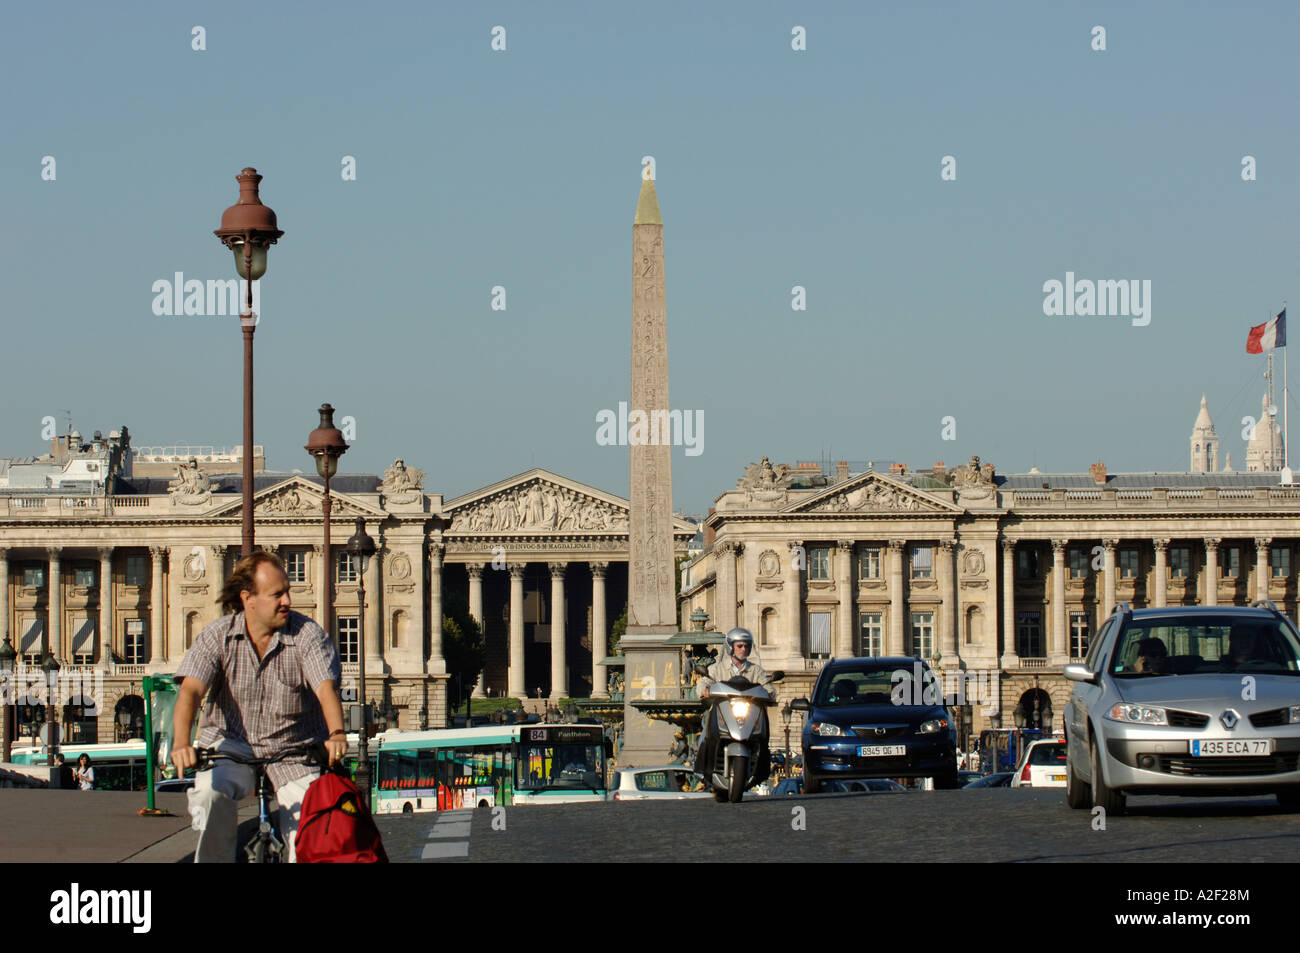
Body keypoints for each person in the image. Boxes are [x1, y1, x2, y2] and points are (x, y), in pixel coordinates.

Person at [171, 551, 346, 863]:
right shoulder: (218, 635)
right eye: (277, 594)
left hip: (294, 750)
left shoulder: (306, 634)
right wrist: (182, 743)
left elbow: (325, 687)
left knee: (309, 831)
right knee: (212, 795)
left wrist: (337, 732)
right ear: (248, 599)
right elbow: (191, 691)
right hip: (232, 748)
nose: (288, 601)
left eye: (288, 591)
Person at [696, 628, 775, 786]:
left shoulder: (755, 670)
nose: (743, 649)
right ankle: (702, 767)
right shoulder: (717, 669)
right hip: (722, 713)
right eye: (739, 646)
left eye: (746, 646)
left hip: (747, 715)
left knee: (764, 736)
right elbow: (705, 680)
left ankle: (761, 769)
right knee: (706, 733)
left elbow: (767, 686)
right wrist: (705, 690)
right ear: (730, 647)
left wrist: (770, 693)